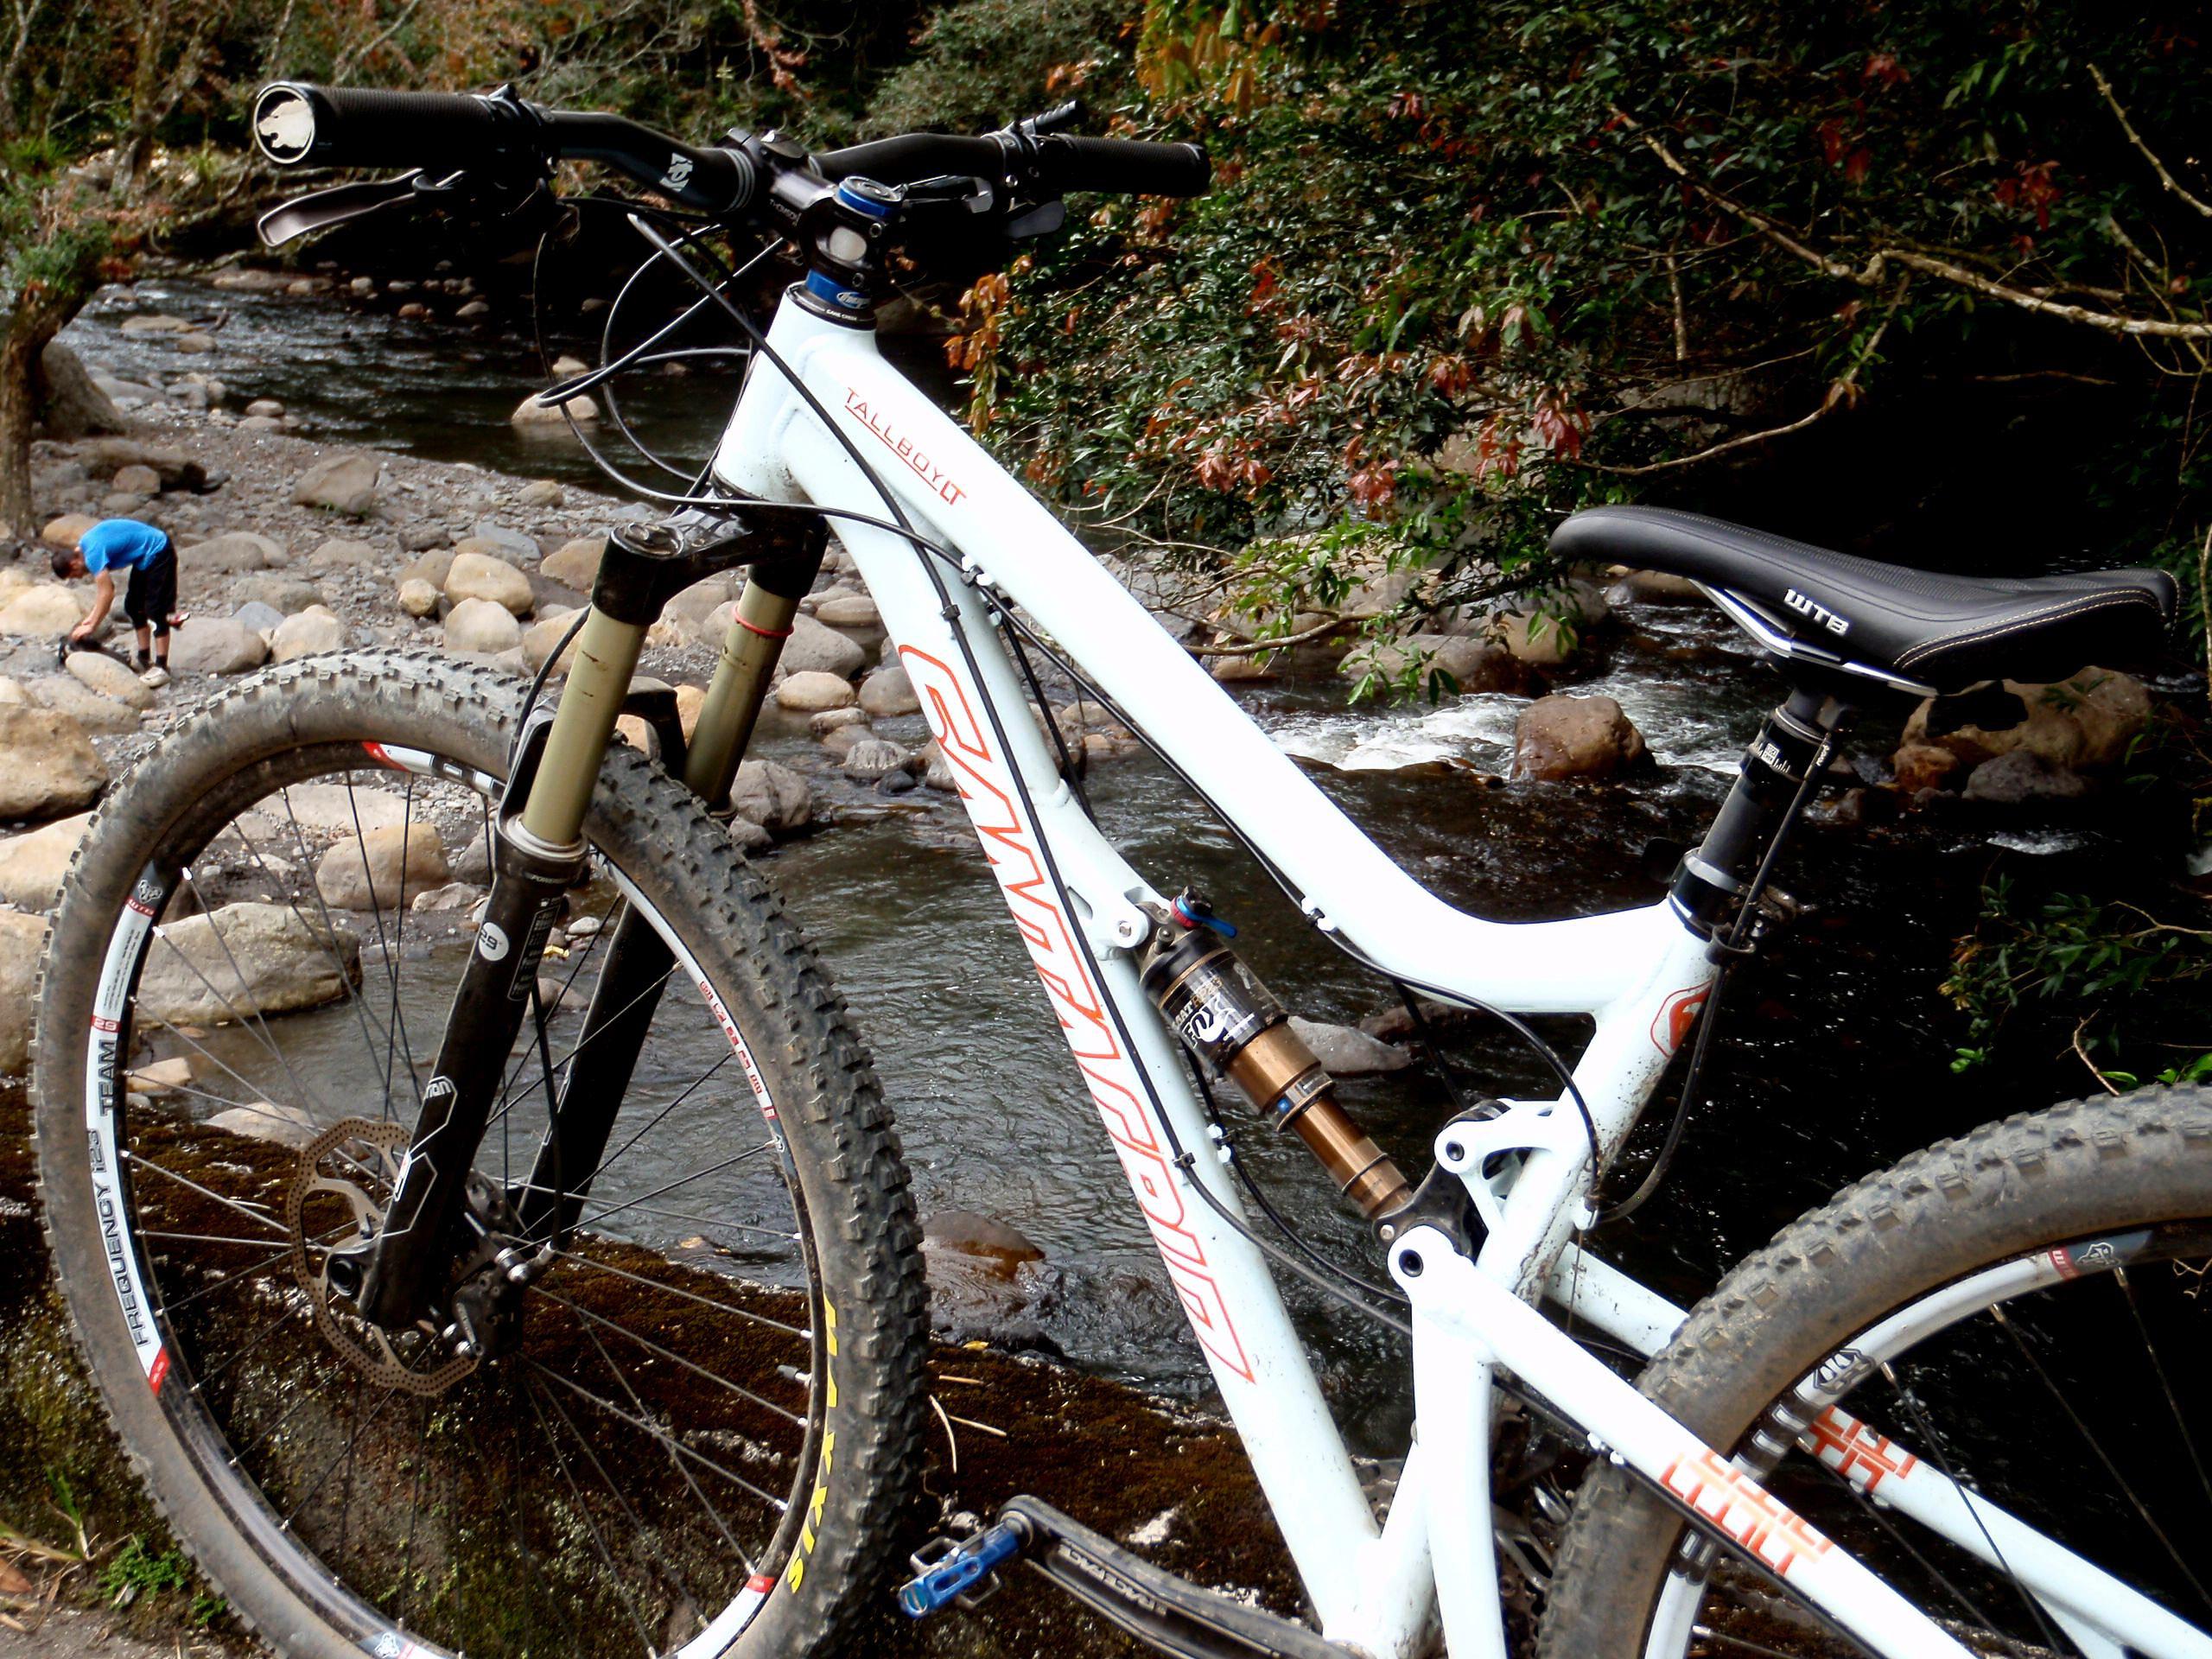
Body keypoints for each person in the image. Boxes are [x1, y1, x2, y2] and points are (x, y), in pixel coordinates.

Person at [51, 518, 183, 687]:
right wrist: (90, 619)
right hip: (144, 558)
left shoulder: (92, 554)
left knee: (154, 611)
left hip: (159, 551)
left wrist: (92, 626)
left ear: (74, 563)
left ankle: (161, 668)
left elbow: (107, 592)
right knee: (133, 607)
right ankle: (144, 658)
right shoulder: (82, 548)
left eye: (74, 575)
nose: (79, 577)